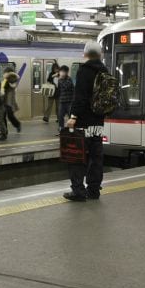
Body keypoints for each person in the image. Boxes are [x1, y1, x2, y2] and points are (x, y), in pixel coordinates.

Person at [64, 41, 109, 202]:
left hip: (83, 121)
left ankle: (78, 191)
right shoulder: (105, 71)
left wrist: (73, 117)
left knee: (77, 156)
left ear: (85, 54)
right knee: (96, 157)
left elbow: (80, 97)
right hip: (98, 122)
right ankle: (94, 190)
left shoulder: (84, 71)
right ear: (100, 54)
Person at [54, 65, 74, 132]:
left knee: (71, 116)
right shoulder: (59, 79)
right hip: (62, 101)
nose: (62, 73)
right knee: (60, 116)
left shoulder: (69, 79)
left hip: (69, 101)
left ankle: (72, 130)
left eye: (63, 71)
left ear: (67, 72)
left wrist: (60, 79)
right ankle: (61, 129)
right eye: (61, 71)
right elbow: (58, 88)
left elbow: (66, 86)